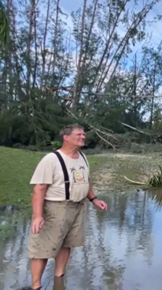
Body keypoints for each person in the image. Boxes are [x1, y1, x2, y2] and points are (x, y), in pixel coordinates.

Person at [27, 124, 108, 290]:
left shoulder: (82, 157)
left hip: (78, 207)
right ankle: (36, 286)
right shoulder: (51, 159)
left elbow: (85, 181)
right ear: (66, 137)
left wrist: (93, 199)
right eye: (79, 134)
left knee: (67, 243)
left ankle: (59, 278)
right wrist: (37, 216)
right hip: (55, 208)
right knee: (42, 248)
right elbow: (39, 188)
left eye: (83, 134)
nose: (83, 137)